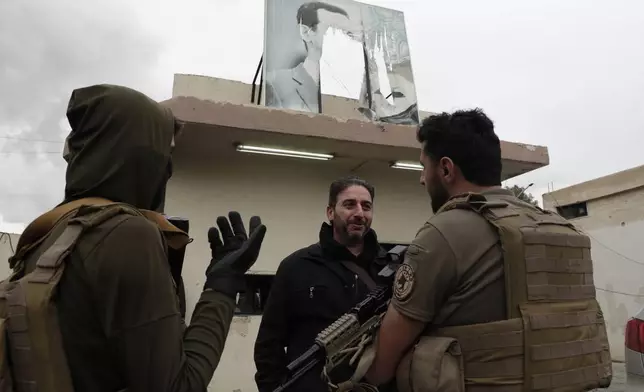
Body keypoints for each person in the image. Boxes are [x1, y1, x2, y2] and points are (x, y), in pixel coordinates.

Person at [1, 84, 267, 392]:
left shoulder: (48, 238)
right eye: (166, 154)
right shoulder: (127, 236)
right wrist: (223, 285)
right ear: (141, 157)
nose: (168, 170)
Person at [364, 109, 612, 391]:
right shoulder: (559, 228)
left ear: (445, 169)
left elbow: (381, 367)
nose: (422, 179)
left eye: (424, 167)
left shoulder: (443, 232)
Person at [254, 176, 390, 392]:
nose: (359, 213)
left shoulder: (391, 270)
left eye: (366, 206)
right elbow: (269, 345)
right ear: (330, 212)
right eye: (349, 205)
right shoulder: (296, 266)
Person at [265, 1, 356, 113]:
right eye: (333, 29)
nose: (345, 40)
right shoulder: (276, 83)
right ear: (306, 33)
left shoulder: (351, 93)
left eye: (348, 33)